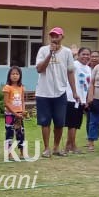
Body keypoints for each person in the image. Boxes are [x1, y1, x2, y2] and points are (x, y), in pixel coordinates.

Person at [34, 27, 77, 157]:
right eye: (52, 36)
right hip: (43, 92)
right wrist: (49, 54)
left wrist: (74, 92)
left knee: (59, 122)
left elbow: (70, 72)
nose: (54, 38)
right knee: (45, 121)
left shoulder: (67, 52)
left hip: (60, 92)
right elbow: (39, 69)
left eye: (57, 36)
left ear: (62, 37)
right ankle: (47, 148)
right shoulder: (43, 50)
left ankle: (56, 147)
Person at [66, 46, 91, 154]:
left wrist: (85, 100)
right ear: (79, 55)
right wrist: (72, 54)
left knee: (76, 124)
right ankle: (73, 146)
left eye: (87, 54)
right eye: (83, 54)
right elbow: (67, 65)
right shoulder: (75, 65)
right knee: (72, 124)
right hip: (72, 98)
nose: (85, 56)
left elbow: (87, 85)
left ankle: (68, 145)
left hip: (82, 99)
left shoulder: (88, 68)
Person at [2, 65, 26, 159]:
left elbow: (23, 100)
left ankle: (21, 152)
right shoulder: (7, 88)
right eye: (13, 74)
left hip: (19, 115)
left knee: (20, 133)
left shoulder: (21, 88)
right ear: (9, 75)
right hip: (9, 115)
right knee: (9, 133)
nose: (15, 75)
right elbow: (6, 103)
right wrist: (14, 113)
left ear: (20, 75)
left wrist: (23, 111)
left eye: (17, 74)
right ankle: (9, 153)